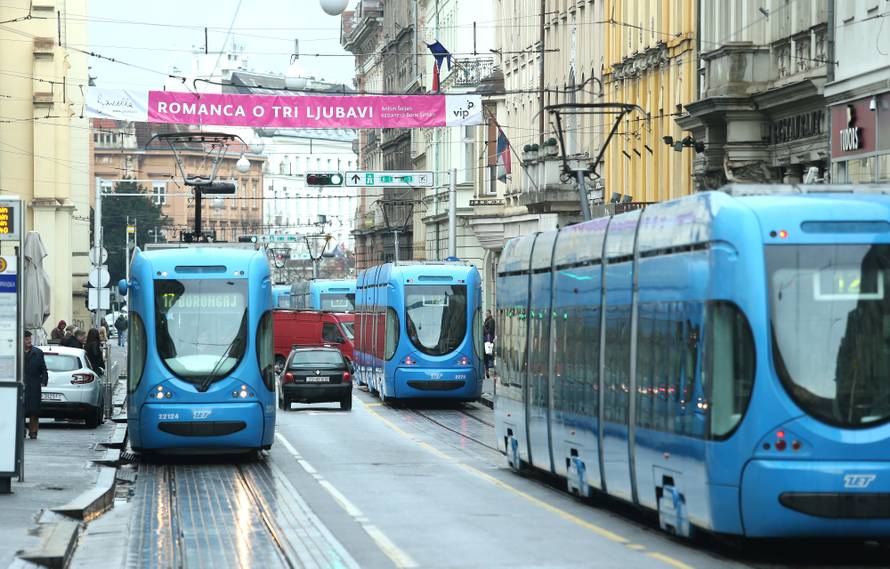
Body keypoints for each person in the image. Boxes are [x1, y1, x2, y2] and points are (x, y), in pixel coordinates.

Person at [23, 331, 48, 439]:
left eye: (29, 338)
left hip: (34, 384)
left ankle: (33, 432)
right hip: (22, 384)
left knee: (34, 410)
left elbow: (43, 368)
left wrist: (44, 380)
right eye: (26, 339)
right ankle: (21, 431)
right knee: (20, 410)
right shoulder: (17, 352)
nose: (28, 341)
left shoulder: (38, 352)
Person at [483, 309, 496, 379]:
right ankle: (486, 371)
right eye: (486, 313)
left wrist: (483, 328)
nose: (486, 314)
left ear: (490, 313)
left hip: (488, 341)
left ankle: (487, 370)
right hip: (487, 341)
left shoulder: (491, 320)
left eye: (487, 313)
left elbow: (490, 331)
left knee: (487, 356)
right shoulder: (488, 320)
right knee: (486, 356)